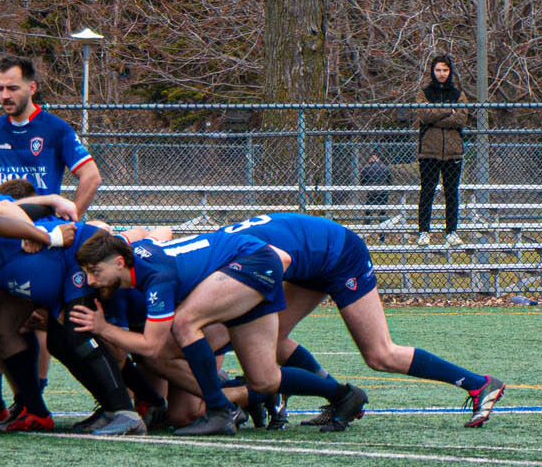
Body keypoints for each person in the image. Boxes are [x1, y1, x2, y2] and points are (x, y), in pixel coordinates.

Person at [216, 212, 508, 429]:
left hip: (340, 254)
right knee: (272, 339)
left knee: (380, 354)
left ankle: (479, 384)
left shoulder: (211, 268)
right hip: (310, 255)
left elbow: (216, 336)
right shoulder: (209, 257)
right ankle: (343, 398)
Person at [69, 228, 300, 436]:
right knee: (181, 414)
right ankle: (247, 397)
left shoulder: (145, 276)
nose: (90, 281)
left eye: (95, 271)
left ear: (118, 262)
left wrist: (103, 328)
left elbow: (140, 350)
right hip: (174, 324)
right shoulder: (121, 267)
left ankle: (227, 404)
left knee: (179, 331)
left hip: (211, 306)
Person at [0, 223, 141, 435]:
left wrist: (46, 235)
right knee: (49, 339)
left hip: (73, 253)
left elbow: (2, 216)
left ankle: (126, 409)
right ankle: (38, 408)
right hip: (54, 264)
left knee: (78, 333)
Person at [0, 57, 101, 218]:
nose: (5, 95)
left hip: (44, 225)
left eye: (12, 88)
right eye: (0, 89)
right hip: (4, 224)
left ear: (32, 88)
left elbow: (91, 176)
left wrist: (73, 217)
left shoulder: (56, 128)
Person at [417, 55, 466, 244]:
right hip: (429, 151)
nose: (442, 73)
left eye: (445, 70)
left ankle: (451, 231)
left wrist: (436, 114)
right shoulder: (424, 93)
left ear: (450, 71)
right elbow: (424, 115)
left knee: (451, 192)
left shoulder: (458, 94)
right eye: (438, 70)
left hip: (453, 152)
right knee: (427, 191)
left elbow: (461, 118)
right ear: (433, 71)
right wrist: (448, 110)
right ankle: (424, 231)